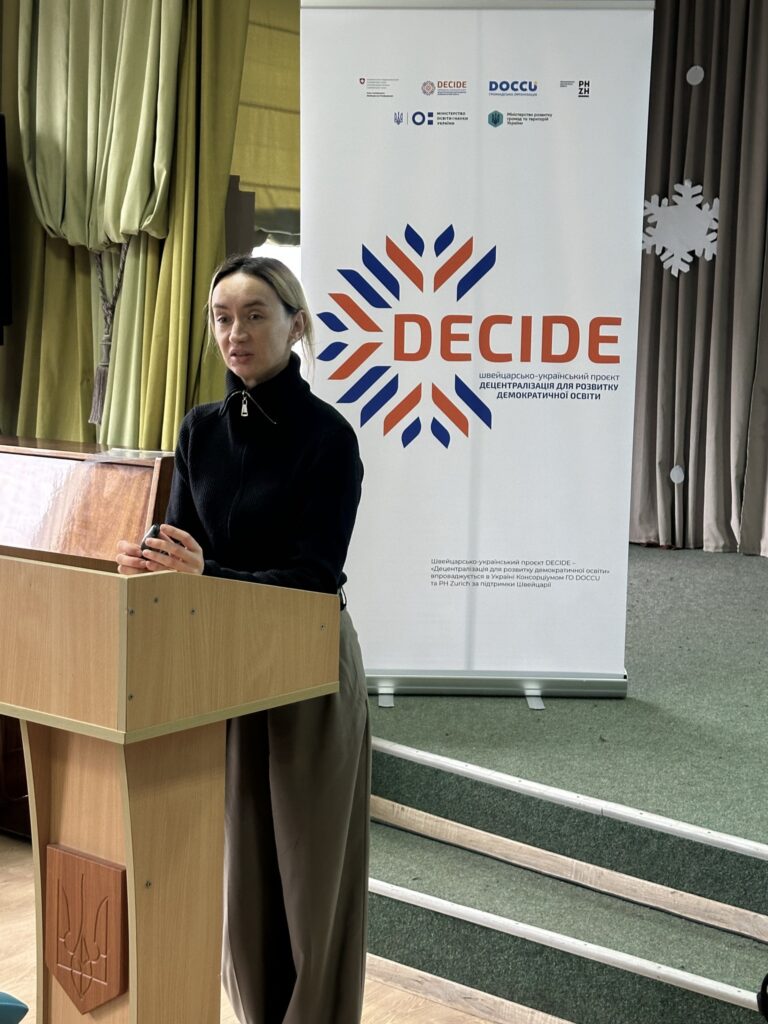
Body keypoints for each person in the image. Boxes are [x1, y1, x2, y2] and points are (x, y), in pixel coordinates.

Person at [116, 254, 370, 1024]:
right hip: (221, 668)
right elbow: (183, 545)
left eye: (255, 315)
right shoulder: (200, 429)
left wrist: (207, 573)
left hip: (306, 665)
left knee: (310, 881)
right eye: (222, 317)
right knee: (247, 879)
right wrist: (150, 560)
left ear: (296, 326)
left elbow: (316, 576)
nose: (236, 332)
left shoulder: (329, 437)